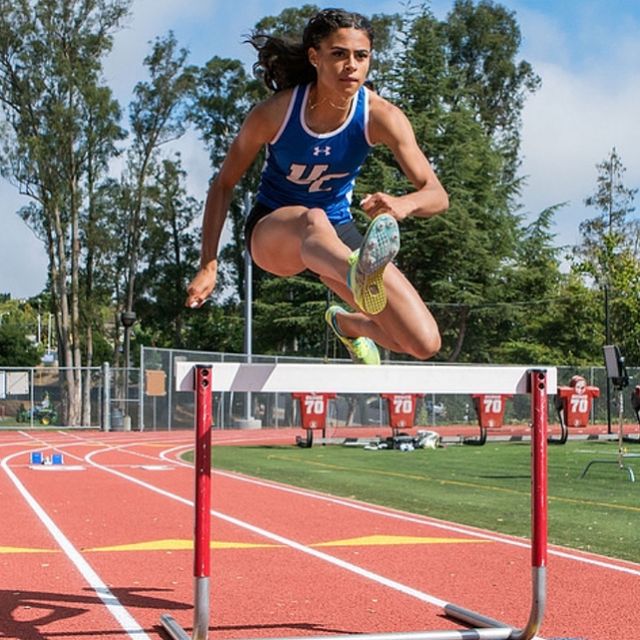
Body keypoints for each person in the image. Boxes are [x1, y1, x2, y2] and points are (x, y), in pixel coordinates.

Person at [186, 8, 448, 363]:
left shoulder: (381, 116)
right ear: (315, 57)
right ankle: (357, 272)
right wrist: (208, 263)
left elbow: (437, 195)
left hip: (338, 238)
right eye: (339, 54)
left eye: (361, 56)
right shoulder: (275, 113)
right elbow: (223, 184)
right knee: (313, 219)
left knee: (423, 342)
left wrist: (406, 203)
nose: (351, 65)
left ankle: (349, 324)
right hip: (276, 230)